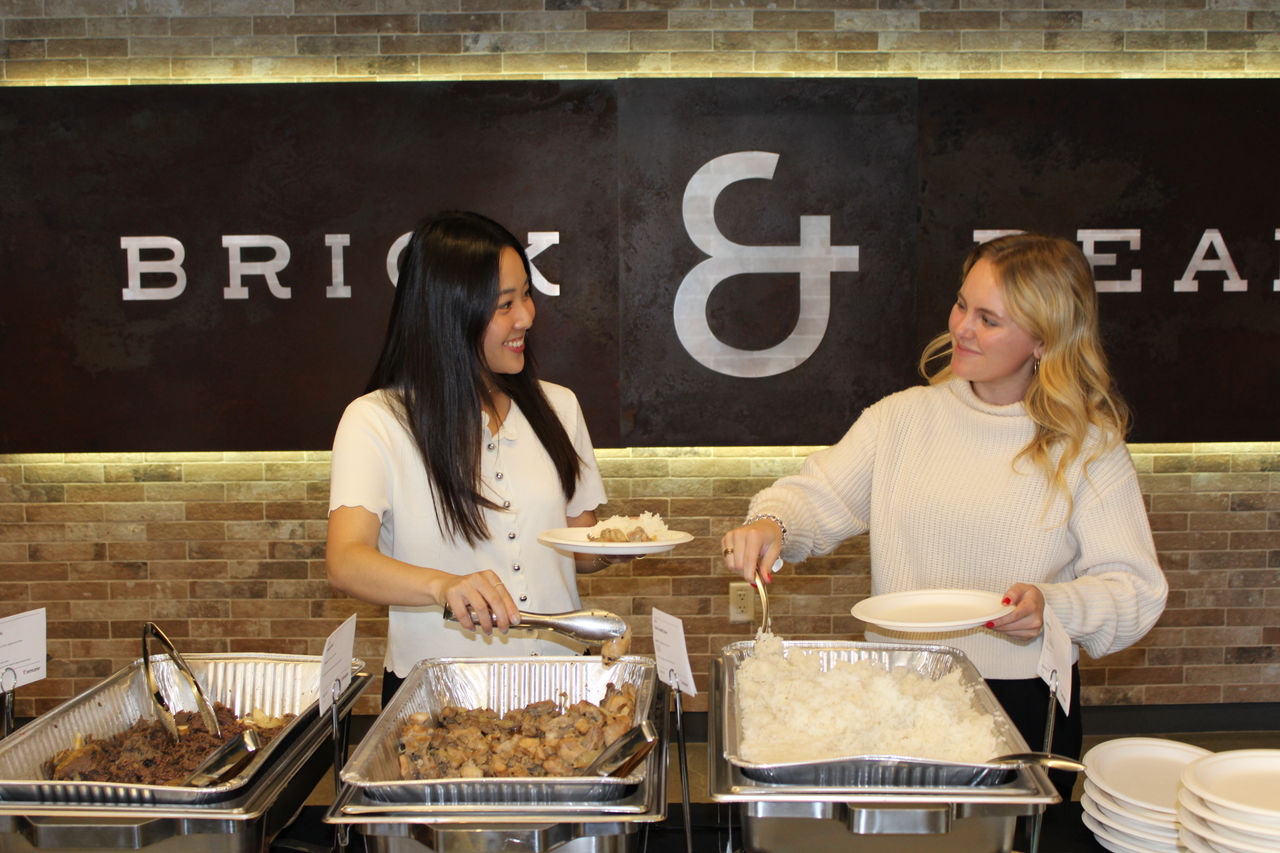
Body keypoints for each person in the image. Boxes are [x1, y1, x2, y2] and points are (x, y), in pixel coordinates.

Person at [720, 233, 1168, 797]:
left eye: (989, 319)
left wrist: (1054, 606)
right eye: (962, 304)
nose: (961, 327)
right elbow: (818, 496)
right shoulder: (901, 419)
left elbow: (1137, 589)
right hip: (893, 691)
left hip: (1023, 698)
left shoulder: (1088, 447)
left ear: (1043, 341)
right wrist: (772, 524)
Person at [326, 210, 616, 707]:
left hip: (561, 687)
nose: (526, 315)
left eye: (526, 294)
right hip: (440, 696)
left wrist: (620, 543)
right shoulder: (376, 420)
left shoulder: (558, 407)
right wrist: (443, 585)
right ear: (449, 313)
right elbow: (346, 561)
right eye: (505, 304)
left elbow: (582, 551)